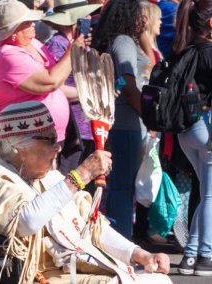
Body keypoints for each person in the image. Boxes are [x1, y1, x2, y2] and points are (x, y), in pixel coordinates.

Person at [0, 101, 172, 284]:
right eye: (49, 140)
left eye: (57, 139)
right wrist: (81, 175)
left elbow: (92, 228)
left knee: (158, 280)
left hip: (69, 267)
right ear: (20, 147)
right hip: (36, 275)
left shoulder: (49, 177)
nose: (58, 147)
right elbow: (26, 222)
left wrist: (140, 254)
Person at [0, 0, 83, 166]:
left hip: (37, 136)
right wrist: (72, 51)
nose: (33, 24)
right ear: (12, 31)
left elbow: (58, 79)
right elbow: (50, 82)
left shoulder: (33, 43)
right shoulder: (9, 55)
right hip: (15, 140)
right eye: (26, 22)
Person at [92, 0, 150, 239]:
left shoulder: (116, 40)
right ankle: (122, 245)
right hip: (126, 123)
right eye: (140, 15)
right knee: (122, 189)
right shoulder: (124, 41)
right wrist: (148, 114)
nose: (144, 20)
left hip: (120, 123)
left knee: (118, 189)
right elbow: (127, 84)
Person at [172, 0, 212, 276]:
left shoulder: (184, 51)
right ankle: (205, 256)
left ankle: (190, 257)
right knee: (210, 196)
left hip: (186, 130)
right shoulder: (210, 53)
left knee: (206, 195)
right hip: (206, 128)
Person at [42, 0, 101, 176]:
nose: (90, 18)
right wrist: (89, 94)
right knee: (70, 179)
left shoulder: (80, 44)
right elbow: (54, 86)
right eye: (86, 14)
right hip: (71, 128)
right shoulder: (58, 44)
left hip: (87, 124)